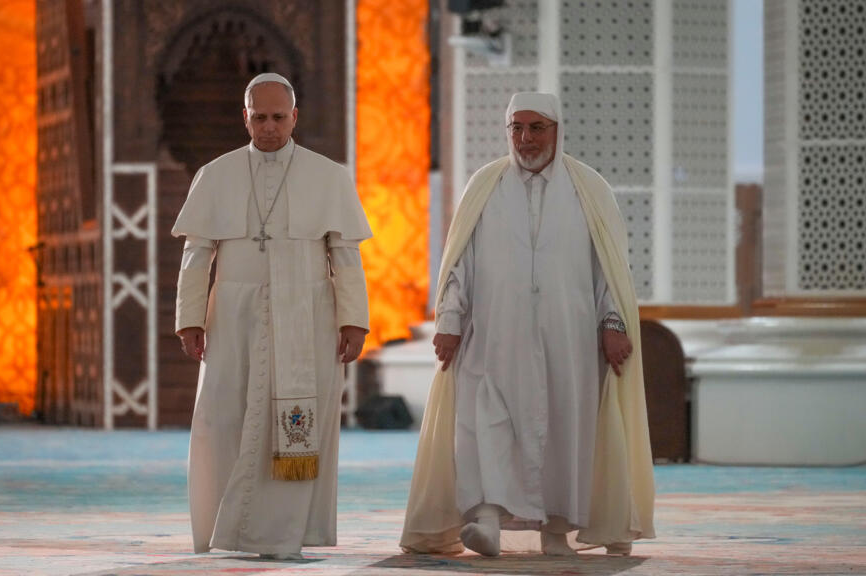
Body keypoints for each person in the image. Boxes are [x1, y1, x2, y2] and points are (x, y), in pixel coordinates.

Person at [400, 92, 655, 557]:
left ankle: (555, 532)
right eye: (516, 128)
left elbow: (609, 268)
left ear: (557, 130)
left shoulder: (589, 189)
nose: (525, 138)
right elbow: (459, 263)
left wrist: (613, 323)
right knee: (484, 423)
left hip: (569, 340)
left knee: (563, 431)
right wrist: (449, 320)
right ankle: (486, 519)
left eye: (537, 128)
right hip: (493, 335)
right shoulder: (485, 185)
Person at [172, 73, 372, 559]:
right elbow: (197, 255)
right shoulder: (215, 175)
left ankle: (284, 532)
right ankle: (227, 528)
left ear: (294, 117)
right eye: (259, 117)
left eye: (278, 117)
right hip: (233, 316)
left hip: (306, 313)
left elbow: (345, 256)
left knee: (295, 421)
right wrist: (189, 319)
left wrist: (354, 320)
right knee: (225, 419)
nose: (268, 127)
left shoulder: (328, 176)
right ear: (244, 118)